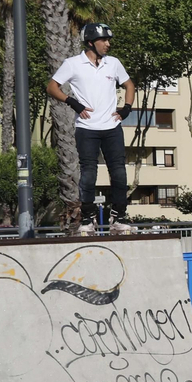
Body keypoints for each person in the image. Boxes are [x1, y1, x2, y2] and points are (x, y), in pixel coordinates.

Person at [47, 22, 136, 234]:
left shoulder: (113, 63)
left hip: (112, 127)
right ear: (90, 42)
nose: (108, 44)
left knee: (119, 173)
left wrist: (126, 109)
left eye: (108, 40)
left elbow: (129, 85)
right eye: (104, 40)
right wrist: (72, 102)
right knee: (88, 175)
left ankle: (119, 217)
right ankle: (88, 219)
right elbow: (52, 87)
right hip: (87, 128)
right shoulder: (73, 64)